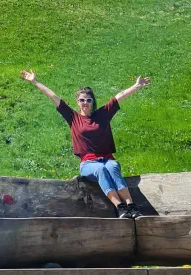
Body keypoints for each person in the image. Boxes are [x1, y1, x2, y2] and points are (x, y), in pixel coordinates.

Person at [20, 69, 151, 217]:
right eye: (82, 100)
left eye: (88, 100)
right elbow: (53, 96)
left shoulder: (102, 114)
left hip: (107, 158)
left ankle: (131, 206)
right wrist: (35, 81)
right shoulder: (73, 117)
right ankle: (120, 207)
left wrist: (136, 86)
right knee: (100, 170)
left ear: (93, 102)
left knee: (113, 167)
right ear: (78, 102)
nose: (85, 103)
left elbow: (118, 97)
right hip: (88, 163)